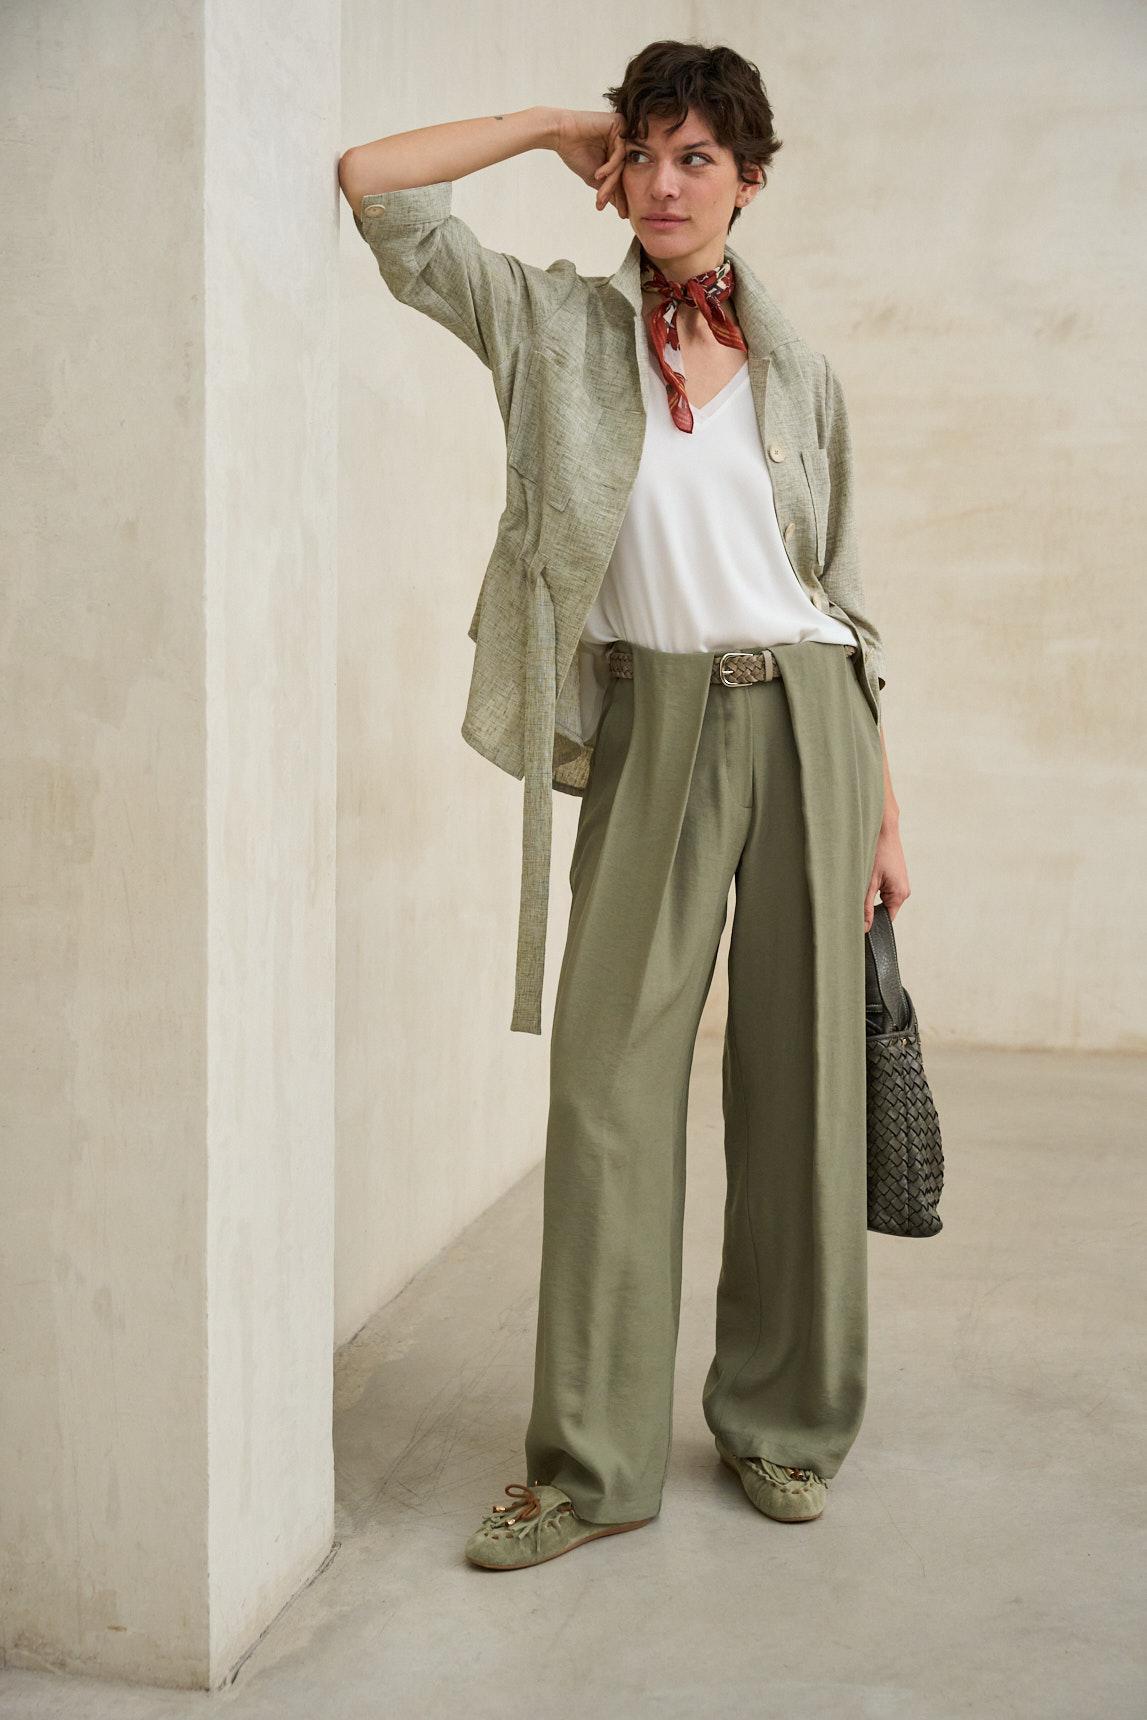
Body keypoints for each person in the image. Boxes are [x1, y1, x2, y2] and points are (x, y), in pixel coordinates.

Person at [339, 38, 910, 1573]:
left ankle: (783, 1422)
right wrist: (548, 127)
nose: (662, 183)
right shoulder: (552, 326)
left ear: (750, 181)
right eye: (642, 152)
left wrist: (883, 812)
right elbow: (377, 190)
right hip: (656, 724)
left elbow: (843, 599)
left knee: (802, 1086)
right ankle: (589, 1466)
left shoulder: (799, 370)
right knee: (605, 1090)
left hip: (814, 728)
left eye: (695, 157)